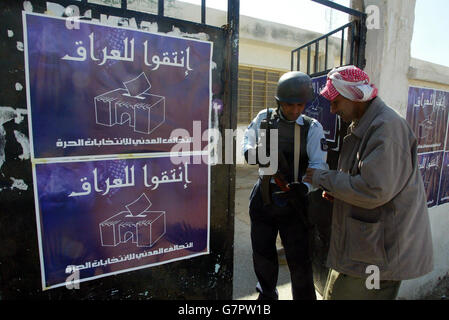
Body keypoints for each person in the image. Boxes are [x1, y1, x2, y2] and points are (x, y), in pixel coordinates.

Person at [304, 65, 434, 300]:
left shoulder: (387, 128)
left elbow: (373, 190)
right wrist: (340, 192)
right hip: (365, 249)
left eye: (336, 102)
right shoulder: (368, 124)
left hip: (378, 255)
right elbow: (366, 181)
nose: (332, 110)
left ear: (355, 96)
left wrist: (322, 178)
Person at [242, 71, 328, 300]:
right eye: (289, 105)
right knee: (263, 253)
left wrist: (306, 188)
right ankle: (267, 295)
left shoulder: (313, 128)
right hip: (264, 196)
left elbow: (319, 166)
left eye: (300, 105)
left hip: (295, 201)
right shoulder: (264, 118)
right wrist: (253, 154)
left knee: (299, 260)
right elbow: (246, 144)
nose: (295, 110)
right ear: (279, 102)